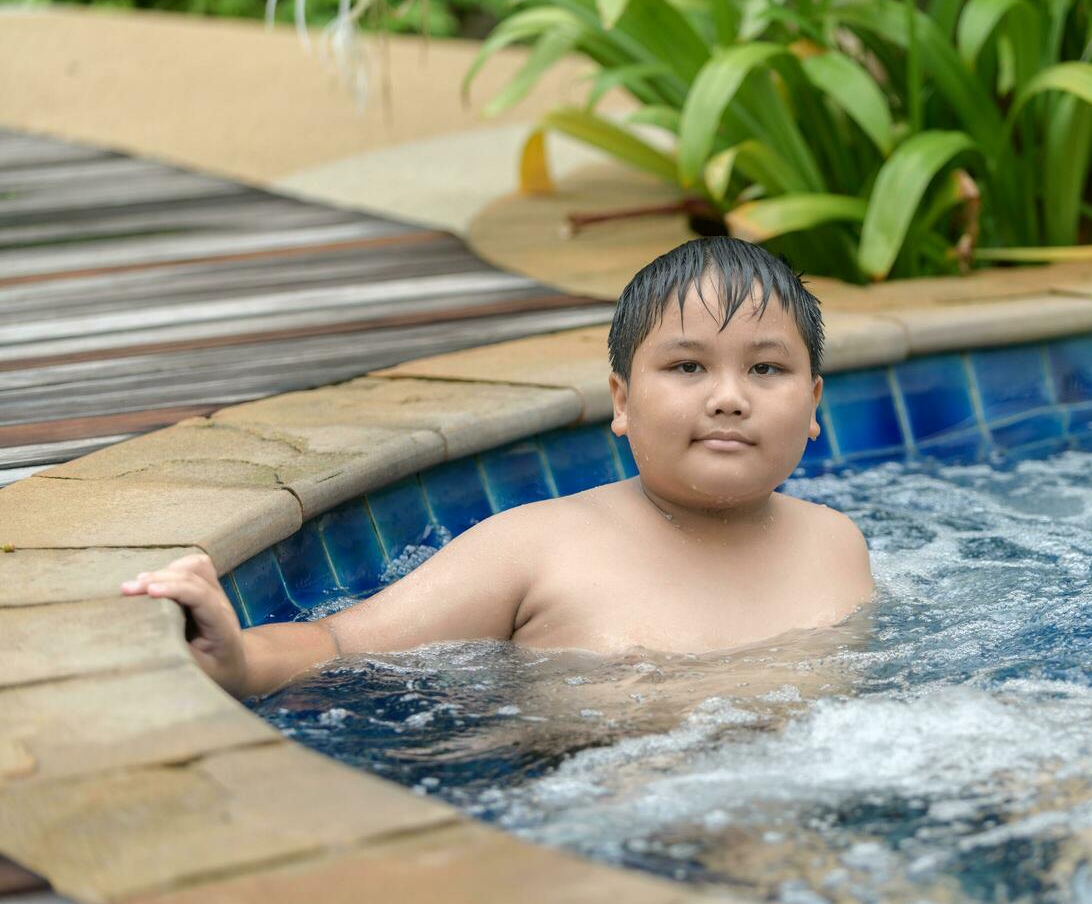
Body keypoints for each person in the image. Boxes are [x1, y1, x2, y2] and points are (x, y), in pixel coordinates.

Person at [121, 237, 876, 700]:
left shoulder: (836, 542)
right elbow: (342, 646)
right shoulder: (535, 548)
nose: (728, 398)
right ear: (621, 400)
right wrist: (238, 659)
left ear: (813, 405)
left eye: (767, 370)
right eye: (686, 365)